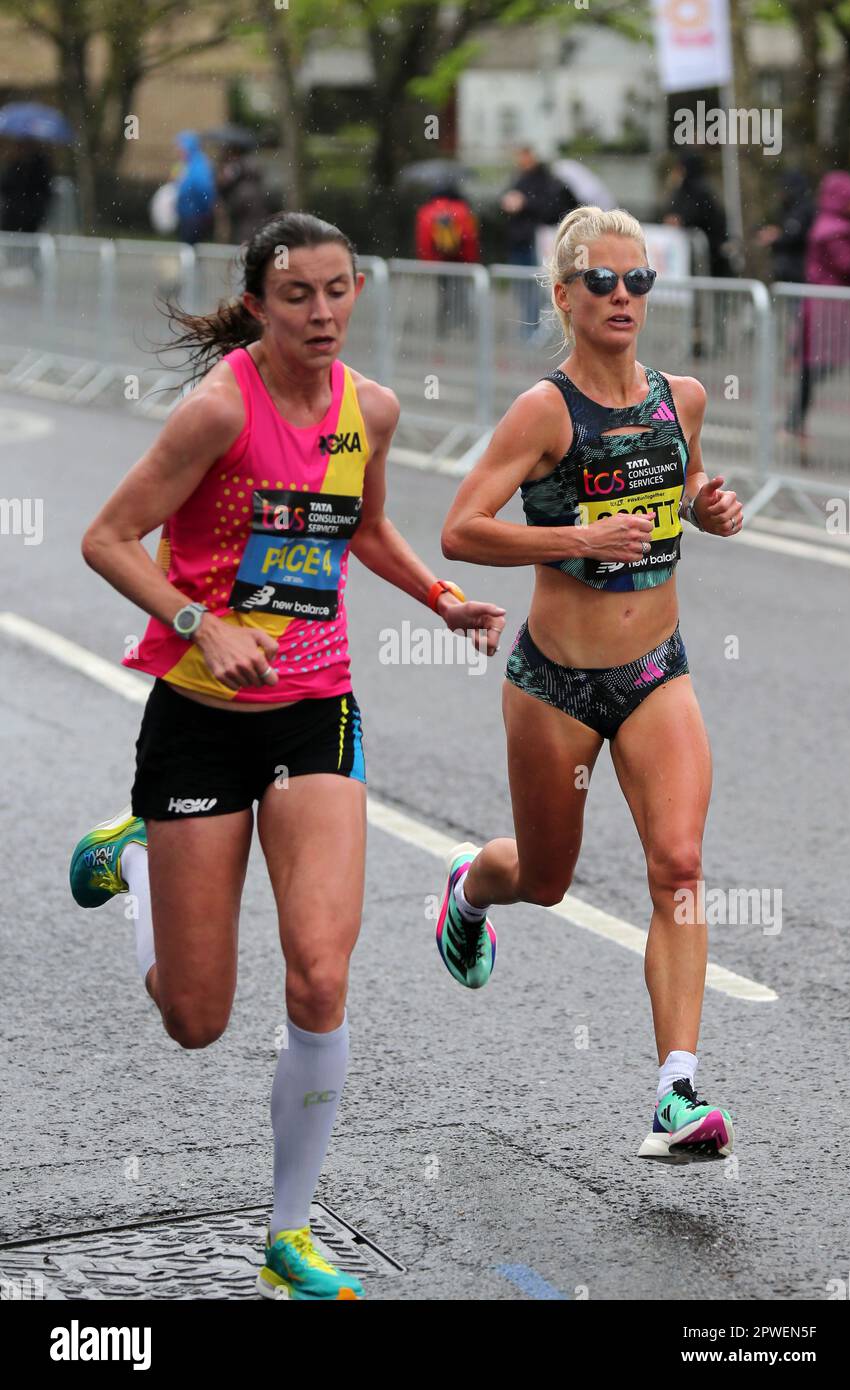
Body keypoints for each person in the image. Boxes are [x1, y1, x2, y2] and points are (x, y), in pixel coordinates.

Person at [68, 211, 505, 1299]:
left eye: (336, 290)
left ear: (358, 290)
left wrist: (439, 595)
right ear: (257, 302)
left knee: (319, 973)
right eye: (296, 295)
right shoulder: (217, 409)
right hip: (202, 714)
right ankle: (131, 862)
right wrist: (195, 620)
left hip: (317, 713)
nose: (320, 313)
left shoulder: (372, 409)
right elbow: (107, 536)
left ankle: (286, 1234)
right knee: (196, 1018)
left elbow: (359, 526)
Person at [435, 205, 744, 1163]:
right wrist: (576, 538)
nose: (623, 297)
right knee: (547, 879)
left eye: (638, 280)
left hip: (657, 672)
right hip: (554, 687)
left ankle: (676, 1093)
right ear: (564, 295)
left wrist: (710, 505)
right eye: (602, 282)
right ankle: (472, 888)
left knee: (680, 868)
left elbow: (685, 484)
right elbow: (460, 528)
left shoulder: (679, 396)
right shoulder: (545, 411)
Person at [787, 170, 850, 435]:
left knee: (819, 370)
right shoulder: (834, 230)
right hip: (833, 312)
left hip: (838, 311)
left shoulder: (833, 224)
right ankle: (793, 423)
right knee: (821, 368)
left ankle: (793, 423)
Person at [501, 147, 575, 338]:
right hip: (517, 239)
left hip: (532, 240)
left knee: (533, 286)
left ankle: (534, 327)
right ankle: (530, 326)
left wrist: (524, 203)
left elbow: (548, 206)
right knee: (521, 287)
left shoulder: (543, 180)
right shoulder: (518, 178)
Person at [414, 181, 480, 335]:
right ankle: (463, 326)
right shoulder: (462, 210)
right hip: (460, 261)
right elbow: (470, 237)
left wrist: (428, 262)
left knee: (443, 293)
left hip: (439, 261)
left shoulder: (426, 211)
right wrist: (471, 260)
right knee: (461, 293)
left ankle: (443, 326)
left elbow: (423, 240)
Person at [756, 170, 814, 284]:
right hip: (789, 272)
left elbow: (793, 235)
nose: (781, 192)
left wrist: (775, 238)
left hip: (798, 272)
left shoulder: (802, 209)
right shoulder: (787, 208)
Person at [216, 142, 269, 245]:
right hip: (255, 225)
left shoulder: (241, 188)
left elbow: (233, 207)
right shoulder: (255, 185)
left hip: (243, 229)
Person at [0, 138, 53, 232]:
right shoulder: (14, 165)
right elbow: (5, 187)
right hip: (12, 216)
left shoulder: (39, 167)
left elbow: (44, 190)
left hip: (31, 218)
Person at [174, 130, 216, 245]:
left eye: (179, 147)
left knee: (191, 250)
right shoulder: (188, 164)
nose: (177, 150)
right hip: (189, 214)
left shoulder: (198, 164)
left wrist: (202, 210)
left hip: (195, 216)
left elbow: (203, 189)